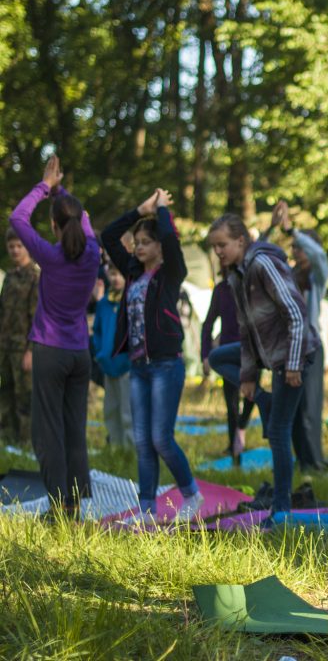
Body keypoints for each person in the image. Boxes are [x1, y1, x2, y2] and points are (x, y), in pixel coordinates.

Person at [207, 213, 320, 515]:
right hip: (269, 353)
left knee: (279, 431)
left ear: (241, 240)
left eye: (222, 245)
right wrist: (248, 377)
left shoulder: (262, 264)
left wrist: (294, 365)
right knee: (218, 357)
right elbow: (246, 331)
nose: (218, 252)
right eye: (214, 247)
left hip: (294, 354)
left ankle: (280, 509)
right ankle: (263, 400)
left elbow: (296, 314)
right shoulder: (236, 274)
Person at [102, 189, 204, 522]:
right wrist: (139, 210)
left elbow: (172, 242)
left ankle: (192, 494)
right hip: (139, 365)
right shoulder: (131, 272)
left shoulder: (170, 272)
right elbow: (108, 236)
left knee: (161, 437)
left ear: (159, 245)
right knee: (143, 441)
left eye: (146, 241)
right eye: (137, 242)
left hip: (165, 365)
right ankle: (147, 509)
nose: (138, 246)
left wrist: (161, 212)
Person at [9, 155, 101, 516]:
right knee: (74, 431)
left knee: (47, 433)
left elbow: (17, 218)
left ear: (53, 225)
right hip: (80, 354)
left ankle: (59, 508)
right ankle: (74, 506)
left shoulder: (49, 255)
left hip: (50, 350)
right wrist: (59, 191)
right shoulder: (93, 253)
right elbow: (85, 218)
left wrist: (45, 186)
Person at [263, 200, 328, 470]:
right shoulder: (288, 276)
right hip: (286, 348)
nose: (296, 252)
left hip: (310, 347)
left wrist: (293, 230)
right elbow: (259, 256)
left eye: (299, 248)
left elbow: (319, 257)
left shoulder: (317, 278)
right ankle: (301, 461)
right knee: (292, 408)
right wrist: (271, 228)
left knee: (309, 411)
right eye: (293, 248)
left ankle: (314, 462)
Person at [201, 270, 253, 462]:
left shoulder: (252, 286)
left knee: (251, 395)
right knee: (231, 403)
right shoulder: (222, 290)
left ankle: (241, 427)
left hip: (252, 352)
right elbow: (208, 324)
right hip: (228, 352)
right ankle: (234, 447)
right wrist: (205, 355)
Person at [0, 229, 38, 446]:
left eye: (19, 246)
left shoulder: (35, 276)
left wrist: (31, 350)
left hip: (24, 348)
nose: (15, 250)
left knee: (25, 397)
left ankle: (26, 444)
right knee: (5, 394)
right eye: (11, 246)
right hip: (5, 347)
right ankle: (8, 441)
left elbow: (37, 318)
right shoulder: (10, 277)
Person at [92, 263, 133, 447]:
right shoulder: (103, 304)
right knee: (111, 409)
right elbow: (98, 331)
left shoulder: (132, 300)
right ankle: (116, 449)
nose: (116, 279)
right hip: (108, 364)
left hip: (127, 365)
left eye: (120, 275)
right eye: (113, 274)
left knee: (128, 411)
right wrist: (100, 353)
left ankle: (130, 449)